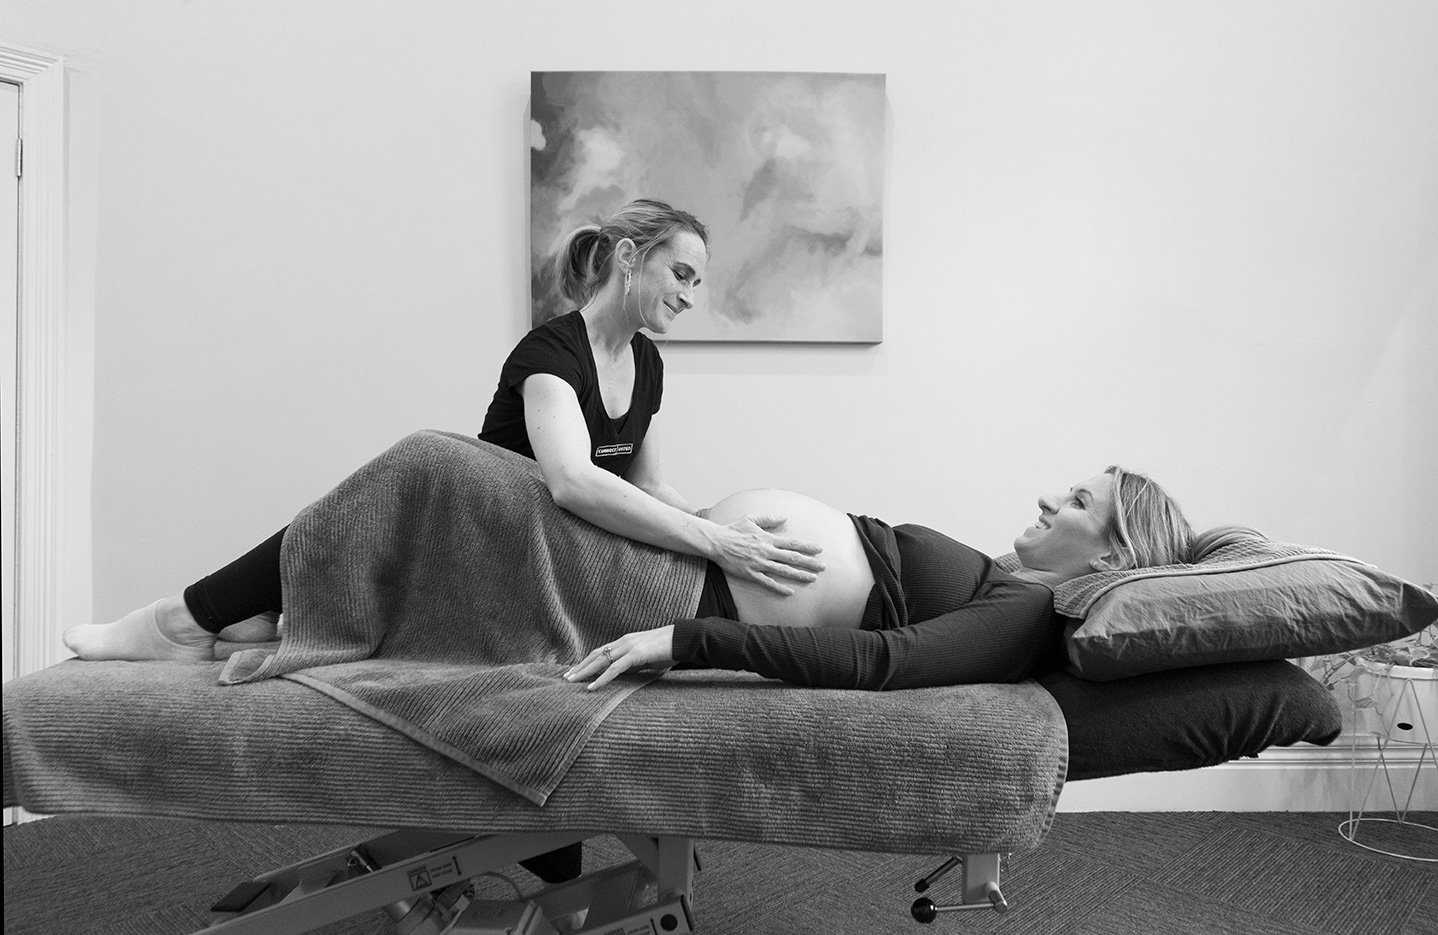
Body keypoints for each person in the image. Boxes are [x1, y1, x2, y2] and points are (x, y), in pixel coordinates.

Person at [65, 199, 826, 664]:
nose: (693, 295)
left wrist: (721, 528)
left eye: (700, 282)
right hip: (485, 525)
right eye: (683, 274)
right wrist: (716, 543)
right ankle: (180, 618)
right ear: (629, 258)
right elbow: (570, 479)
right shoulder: (551, 352)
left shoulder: (647, 364)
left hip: (556, 553)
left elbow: (646, 483)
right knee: (412, 463)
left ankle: (254, 614)